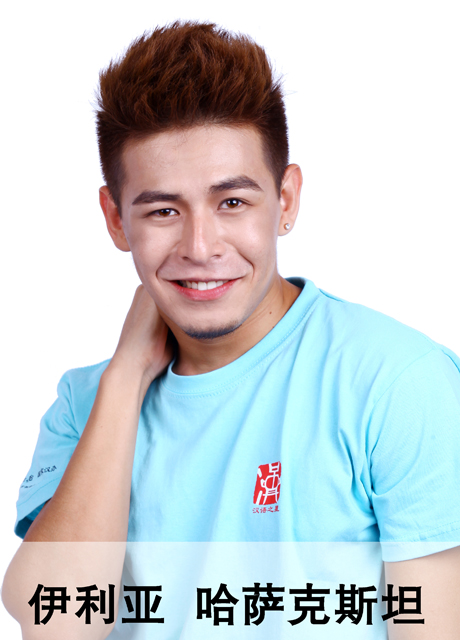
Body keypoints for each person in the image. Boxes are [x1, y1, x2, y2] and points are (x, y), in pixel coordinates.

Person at [2, 21, 460, 639]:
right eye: (163, 210)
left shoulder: (396, 382)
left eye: (232, 203)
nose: (200, 246)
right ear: (114, 219)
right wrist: (126, 378)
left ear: (286, 199)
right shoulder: (85, 404)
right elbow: (56, 624)